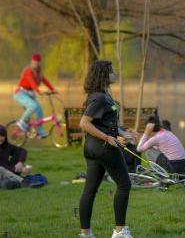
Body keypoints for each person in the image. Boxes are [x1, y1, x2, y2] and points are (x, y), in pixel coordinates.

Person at [77, 59, 136, 238]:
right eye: (111, 70)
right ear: (103, 74)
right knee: (124, 184)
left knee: (90, 190)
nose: (114, 73)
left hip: (92, 147)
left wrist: (122, 133)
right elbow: (84, 123)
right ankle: (120, 232)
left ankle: (86, 234)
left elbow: (103, 123)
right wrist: (107, 138)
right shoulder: (100, 97)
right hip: (103, 146)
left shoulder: (101, 95)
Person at [14, 53, 57, 136]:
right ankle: (21, 122)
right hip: (20, 93)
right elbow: (32, 83)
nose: (36, 63)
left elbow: (45, 81)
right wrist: (39, 91)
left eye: (37, 62)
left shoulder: (39, 73)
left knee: (39, 109)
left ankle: (40, 130)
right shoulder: (28, 71)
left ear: (39, 63)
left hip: (30, 94)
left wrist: (53, 90)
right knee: (33, 106)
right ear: (31, 62)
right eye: (34, 61)